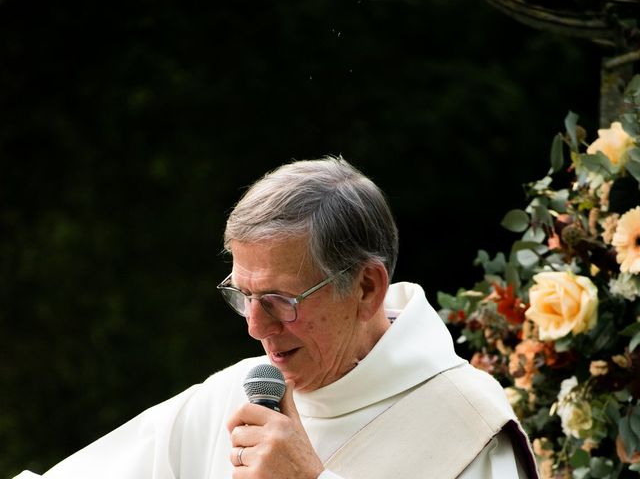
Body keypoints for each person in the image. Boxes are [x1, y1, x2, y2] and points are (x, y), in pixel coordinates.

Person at [15, 156, 539, 478]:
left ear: (366, 287)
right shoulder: (236, 395)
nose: (254, 327)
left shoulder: (468, 426)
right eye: (243, 295)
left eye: (280, 301)